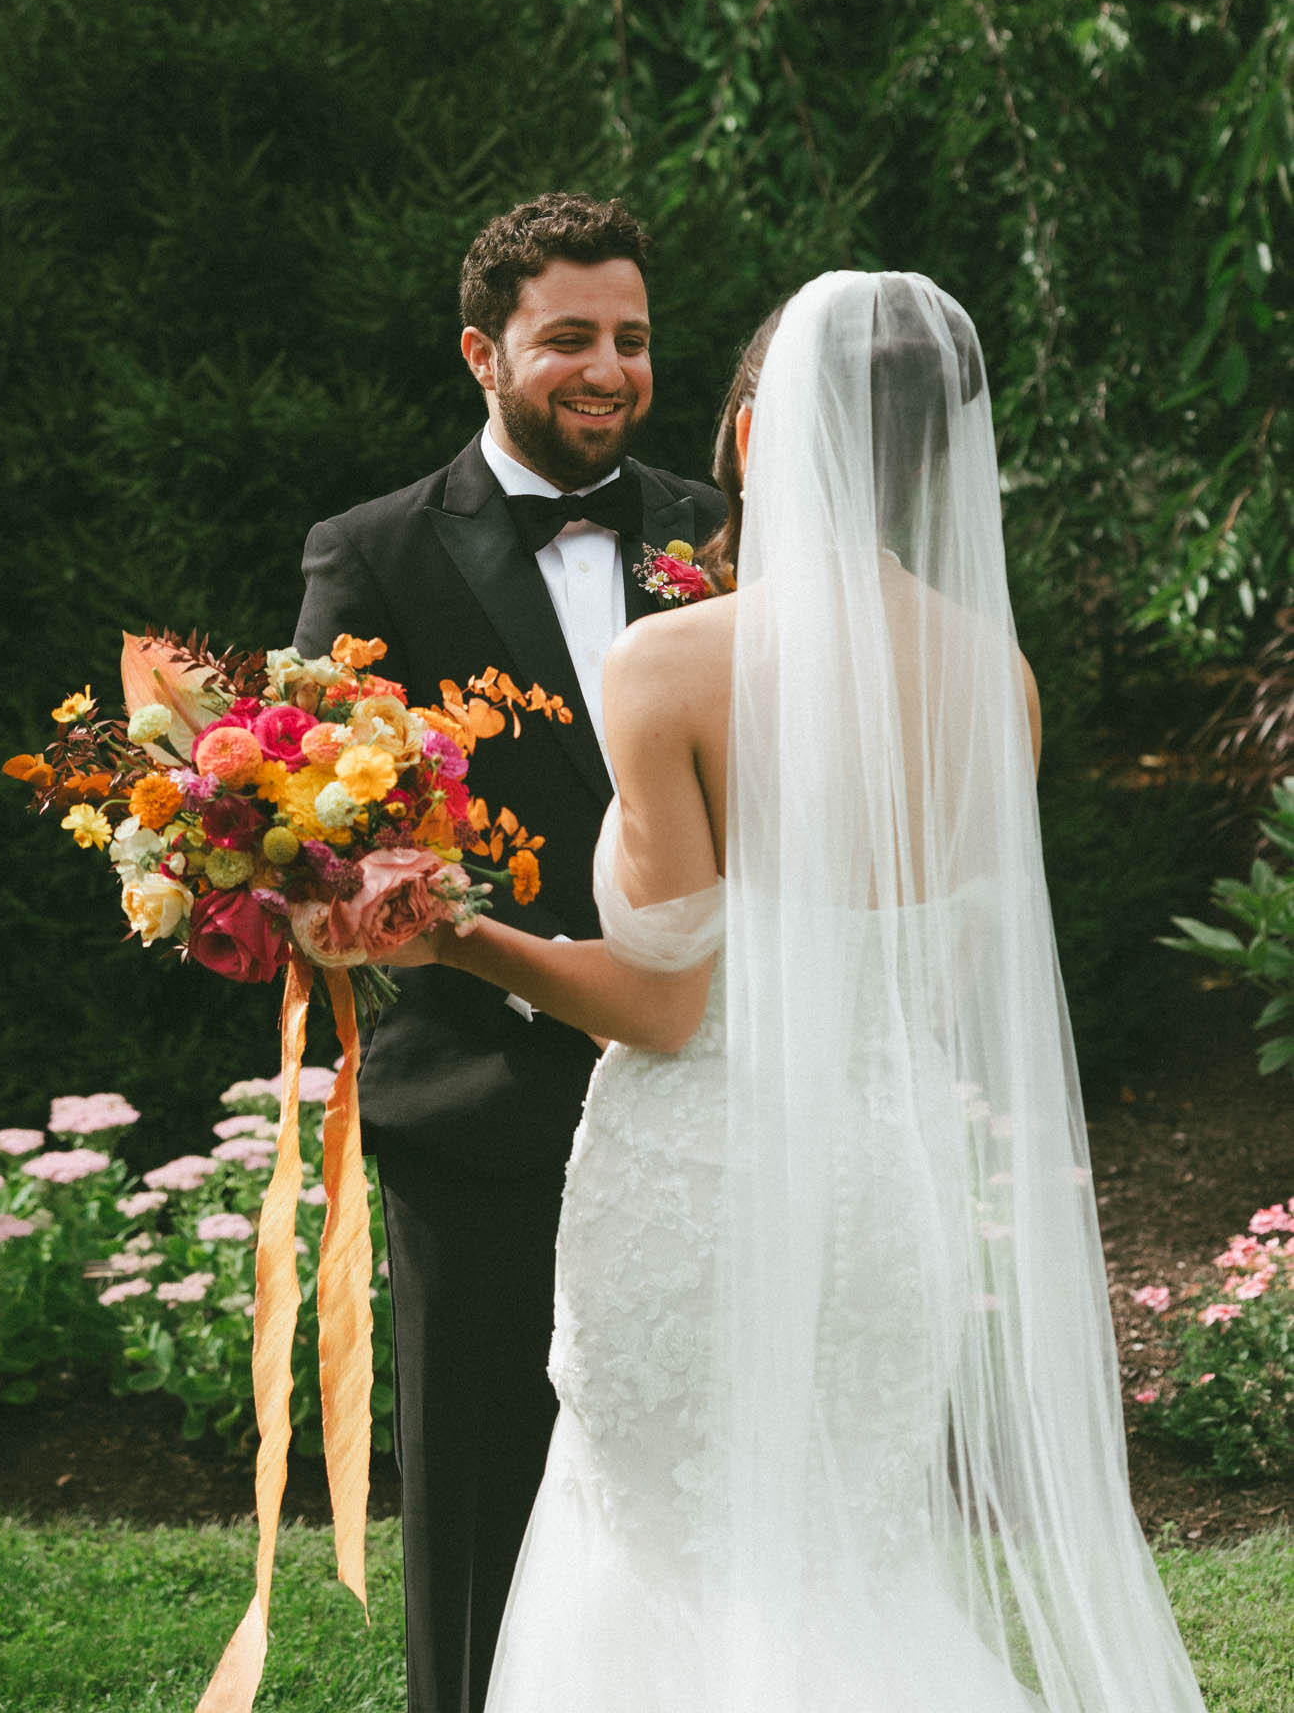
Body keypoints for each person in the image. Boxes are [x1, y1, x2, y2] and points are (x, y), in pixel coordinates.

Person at [389, 271, 1210, 1711]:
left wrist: (449, 935)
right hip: (880, 1190)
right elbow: (943, 975)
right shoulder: (993, 679)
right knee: (851, 1564)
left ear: (761, 439)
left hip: (696, 1193)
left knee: (661, 1567)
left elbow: (663, 1006)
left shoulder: (669, 668)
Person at [291, 192, 725, 1713]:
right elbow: (318, 835)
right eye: (567, 340)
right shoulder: (373, 554)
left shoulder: (712, 538)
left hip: (699, 1106)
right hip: (479, 1109)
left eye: (631, 338)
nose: (607, 368)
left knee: (689, 1515)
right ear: (483, 352)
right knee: (481, 1511)